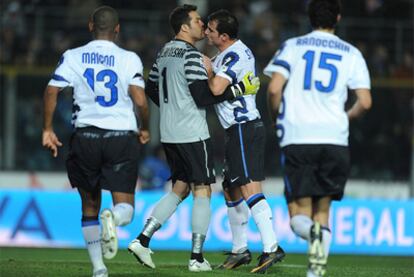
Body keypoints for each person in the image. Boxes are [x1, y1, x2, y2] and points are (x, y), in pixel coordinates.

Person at [127, 4, 260, 273]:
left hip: (169, 131)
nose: (202, 25)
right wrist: (239, 90)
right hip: (191, 131)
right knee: (203, 190)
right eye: (198, 21)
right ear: (184, 27)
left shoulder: (164, 51)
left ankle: (142, 239)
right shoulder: (191, 55)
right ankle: (197, 257)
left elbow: (151, 85)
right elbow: (202, 96)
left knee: (180, 188)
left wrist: (172, 105)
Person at [263, 0, 372, 276]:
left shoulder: (294, 46)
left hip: (299, 136)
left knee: (299, 213)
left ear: (309, 17)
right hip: (334, 138)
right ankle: (316, 270)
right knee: (323, 209)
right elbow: (365, 102)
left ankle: (312, 237)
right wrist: (346, 117)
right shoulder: (352, 53)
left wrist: (276, 117)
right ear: (338, 17)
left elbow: (275, 88)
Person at [42, 6, 150, 277]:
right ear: (117, 29)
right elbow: (139, 100)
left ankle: (99, 269)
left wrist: (47, 128)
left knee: (89, 206)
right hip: (120, 136)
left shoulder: (73, 56)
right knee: (125, 206)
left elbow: (52, 90)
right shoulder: (129, 59)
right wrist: (145, 127)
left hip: (85, 136)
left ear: (91, 26)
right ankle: (113, 218)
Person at [203, 9, 285, 274]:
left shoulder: (235, 55)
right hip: (235, 130)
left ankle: (272, 247)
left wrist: (207, 69)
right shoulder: (230, 53)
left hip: (243, 128)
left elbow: (215, 89)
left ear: (224, 36)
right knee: (231, 189)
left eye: (211, 29)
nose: (206, 32)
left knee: (250, 188)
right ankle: (240, 250)